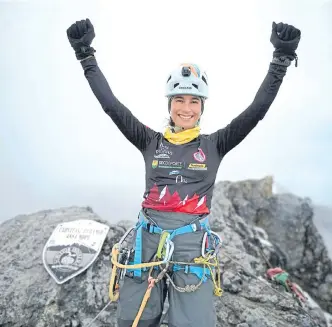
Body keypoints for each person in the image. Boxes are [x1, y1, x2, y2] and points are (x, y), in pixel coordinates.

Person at [66, 18, 301, 327]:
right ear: (170, 103)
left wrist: (280, 62)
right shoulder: (150, 141)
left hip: (192, 246)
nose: (186, 108)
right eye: (179, 99)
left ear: (202, 106)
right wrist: (86, 55)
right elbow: (111, 105)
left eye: (194, 101)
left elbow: (256, 110)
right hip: (146, 241)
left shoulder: (216, 144)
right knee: (136, 319)